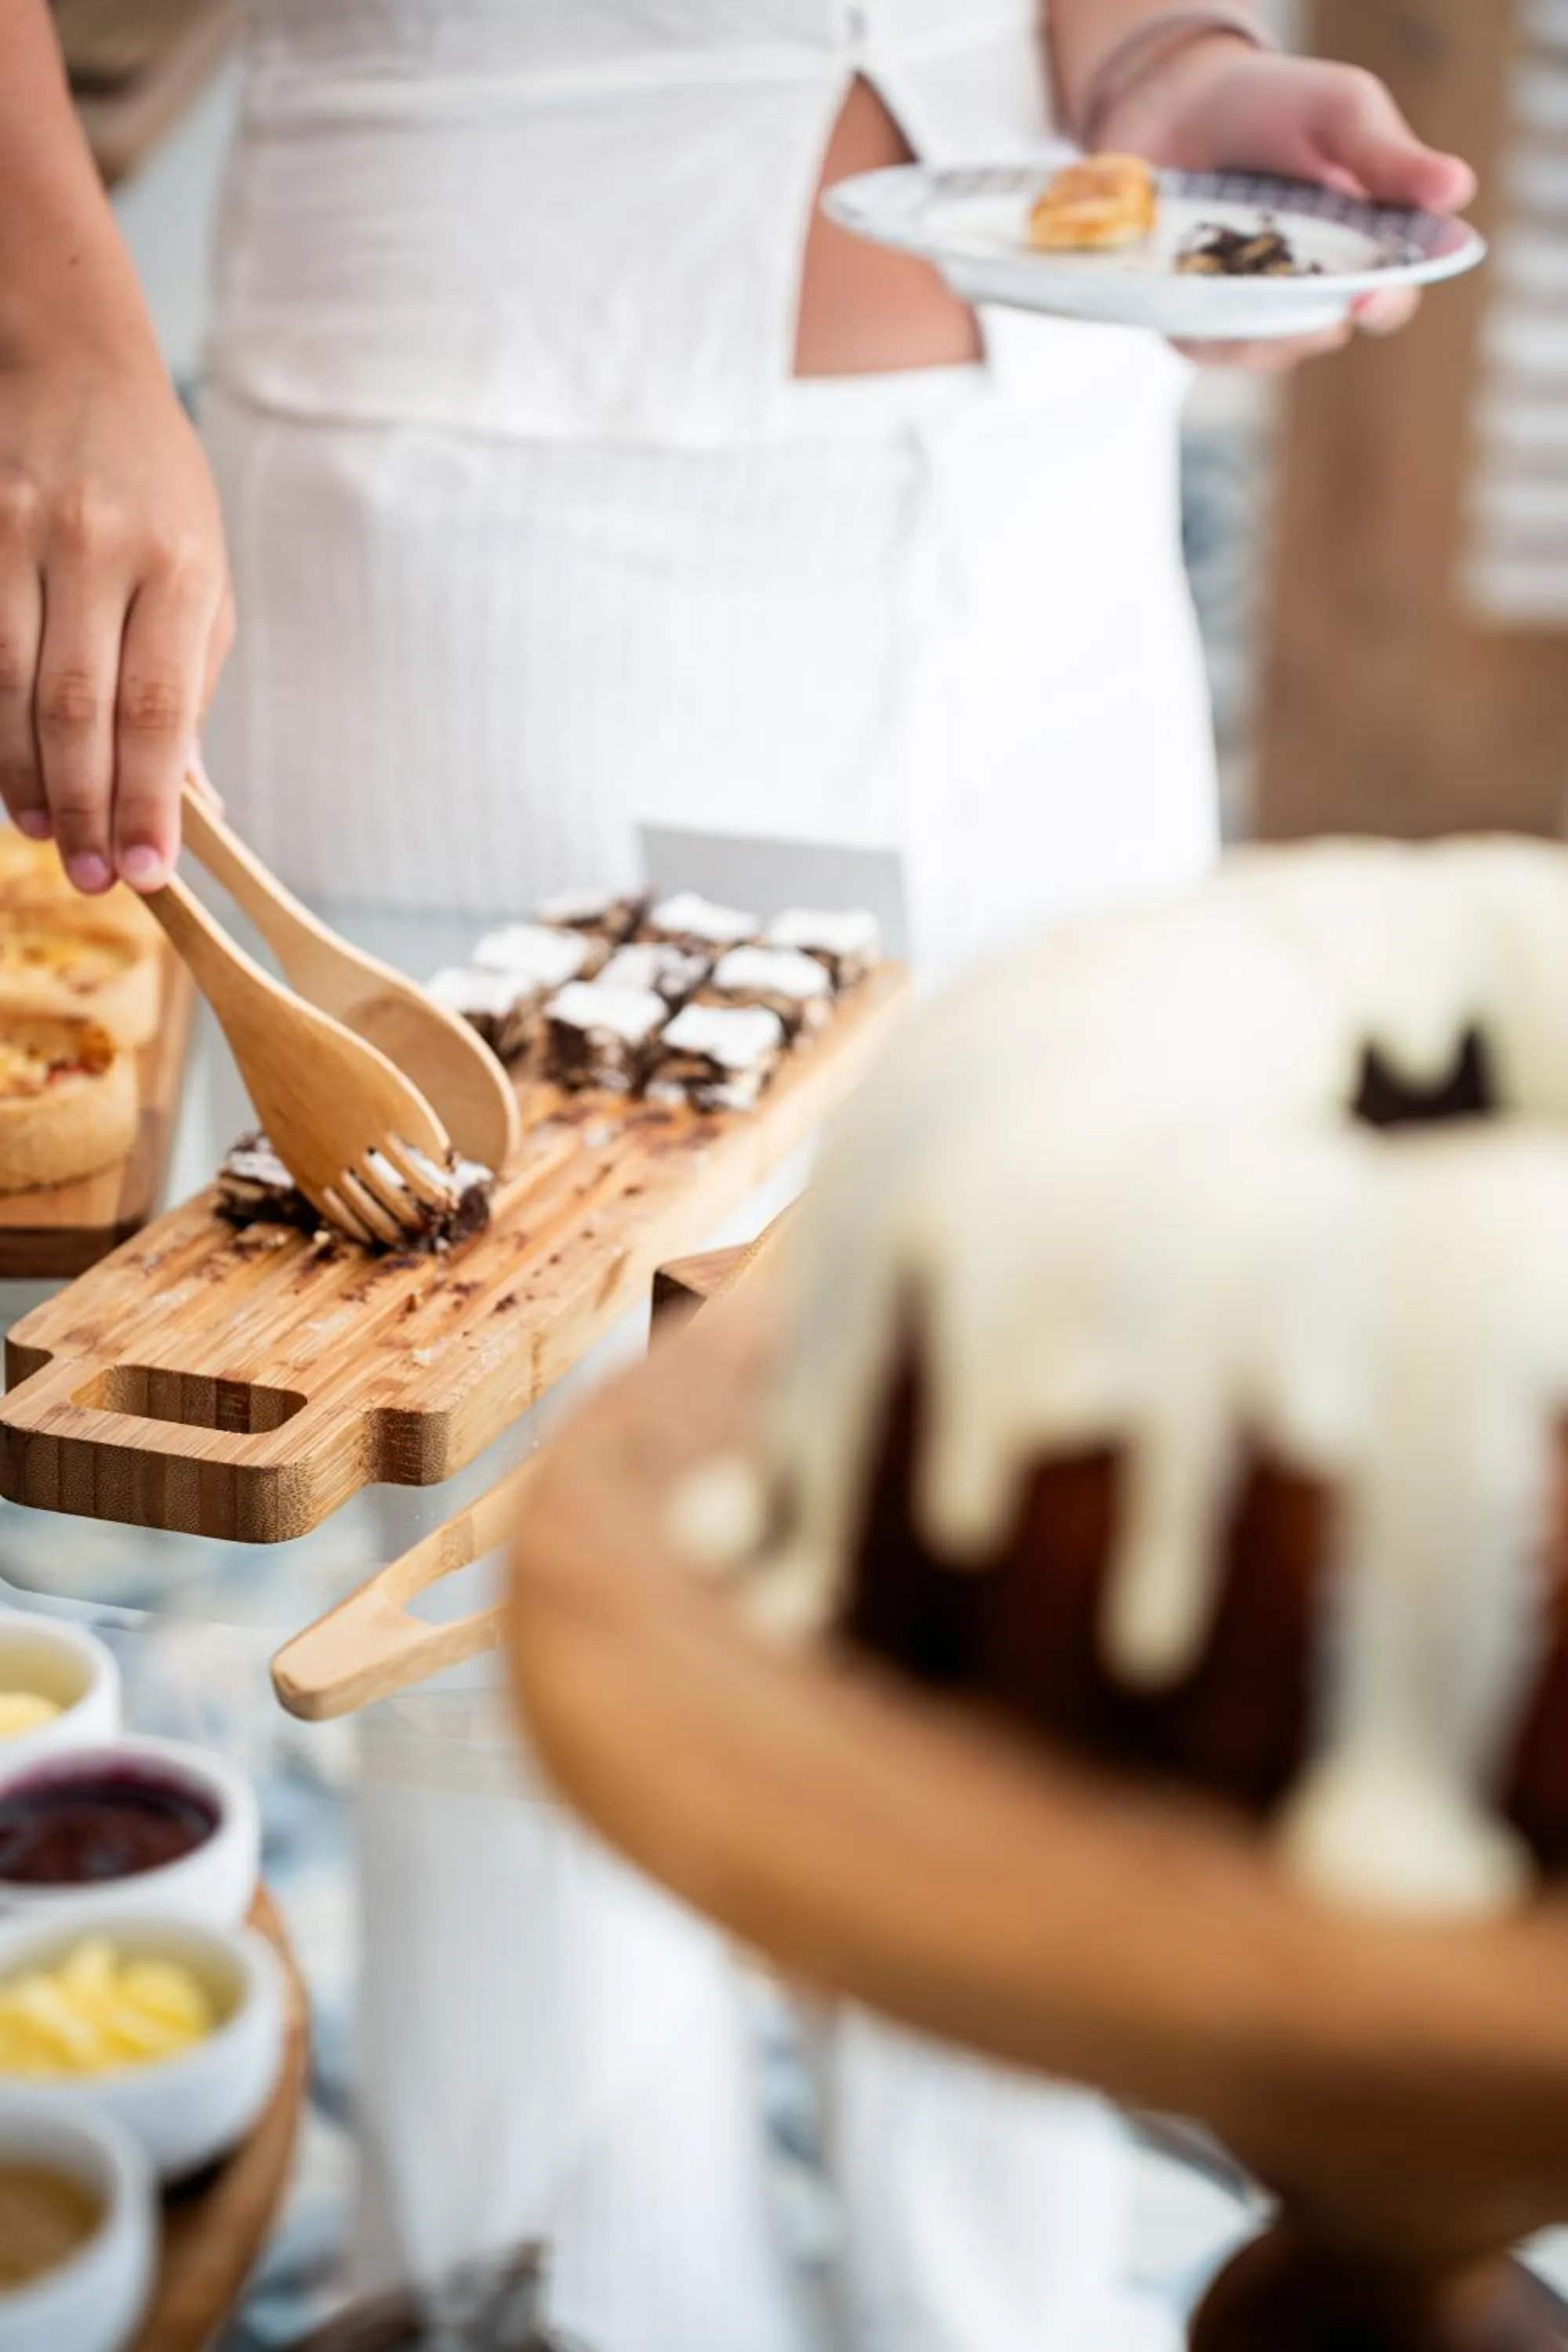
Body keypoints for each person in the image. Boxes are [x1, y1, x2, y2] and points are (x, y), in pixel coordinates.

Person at [0, 5, 1475, 2348]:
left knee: (1029, 1610)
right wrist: (45, 332)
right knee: (515, 1689)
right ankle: (550, 2298)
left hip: (1040, 555)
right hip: (486, 546)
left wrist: (1160, 74)